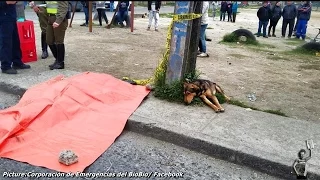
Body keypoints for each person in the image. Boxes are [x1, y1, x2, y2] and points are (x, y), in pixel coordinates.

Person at [0, 1, 31, 74]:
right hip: (3, 17)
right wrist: (6, 2)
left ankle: (17, 62)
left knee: (15, 41)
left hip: (11, 16)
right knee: (6, 43)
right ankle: (5, 66)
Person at [46, 1, 69, 70]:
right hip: (50, 18)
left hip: (58, 19)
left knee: (59, 41)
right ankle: (57, 59)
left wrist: (58, 20)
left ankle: (60, 62)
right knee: (49, 40)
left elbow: (63, 7)